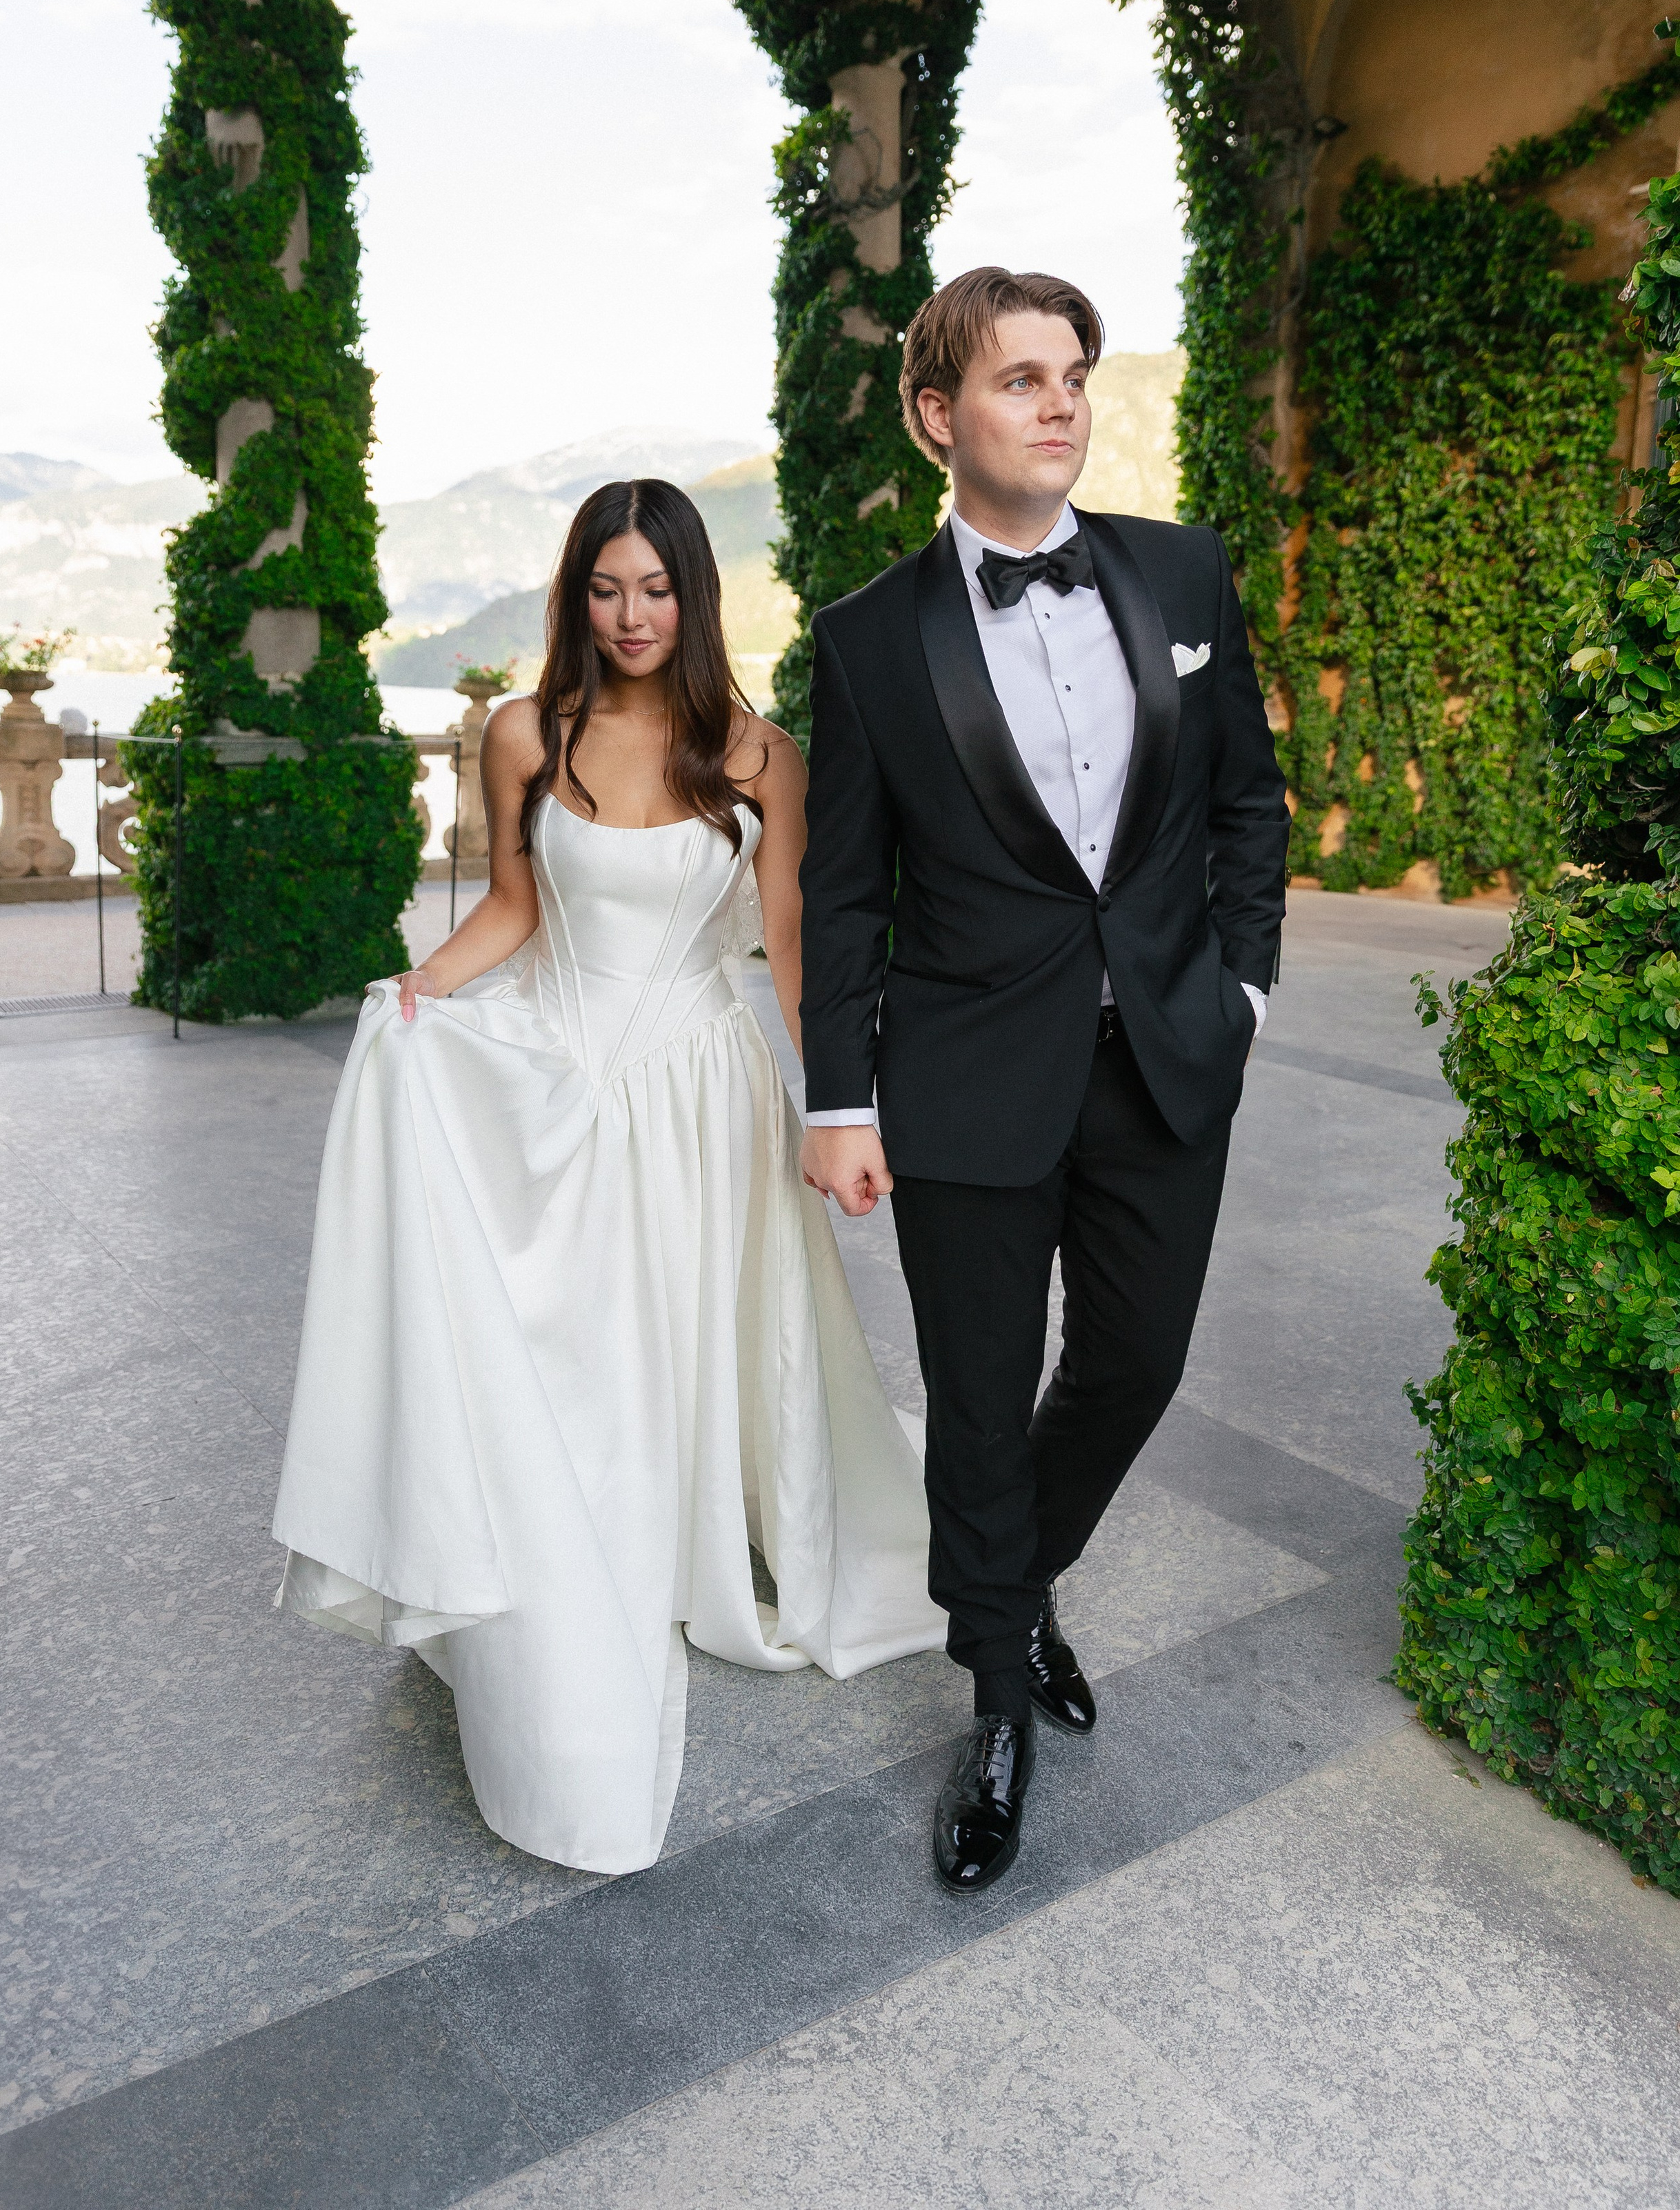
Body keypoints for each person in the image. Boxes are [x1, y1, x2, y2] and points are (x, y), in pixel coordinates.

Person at [272, 478, 943, 1875]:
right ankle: (568, 1540)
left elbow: (795, 950)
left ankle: (713, 1534)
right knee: (565, 1336)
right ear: (573, 596)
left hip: (705, 1088)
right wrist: (419, 990)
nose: (632, 616)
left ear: (694, 599)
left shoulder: (755, 754)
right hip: (563, 1076)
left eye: (657, 590)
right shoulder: (525, 733)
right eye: (604, 588)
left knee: (697, 1327)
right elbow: (514, 909)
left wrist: (840, 1103)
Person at [799, 266, 1290, 1893]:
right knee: (979, 1400)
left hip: (1162, 1052)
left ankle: (1009, 1584)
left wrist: (1238, 986)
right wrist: (838, 1097)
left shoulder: (1179, 571)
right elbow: (846, 891)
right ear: (940, 416)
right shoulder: (868, 640)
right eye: (1020, 379)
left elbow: (1244, 803)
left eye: (1072, 373)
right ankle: (996, 1700)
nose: (1063, 400)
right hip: (959, 1082)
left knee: (1134, 1362)